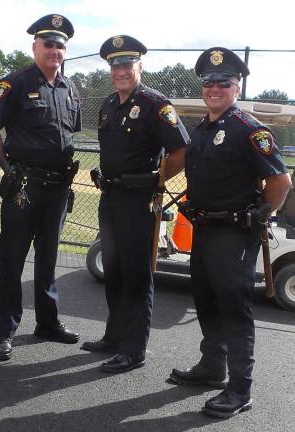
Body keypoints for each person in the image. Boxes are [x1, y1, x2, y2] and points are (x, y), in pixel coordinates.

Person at [169, 47, 292, 418]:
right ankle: (212, 368)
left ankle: (240, 389)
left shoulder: (249, 129)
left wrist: (263, 212)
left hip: (234, 234)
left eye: (224, 82)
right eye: (209, 82)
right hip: (204, 230)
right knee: (206, 301)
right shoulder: (203, 128)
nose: (215, 88)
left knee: (234, 311)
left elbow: (280, 181)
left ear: (237, 87)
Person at [81, 35, 189, 373]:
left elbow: (181, 151)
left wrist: (157, 180)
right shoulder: (109, 104)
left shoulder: (157, 105)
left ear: (140, 65)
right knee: (113, 270)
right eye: (115, 65)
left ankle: (133, 349)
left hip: (138, 202)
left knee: (136, 276)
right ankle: (114, 337)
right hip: (110, 197)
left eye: (127, 64)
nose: (121, 70)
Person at [0, 14, 82, 361]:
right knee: (12, 260)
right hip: (24, 186)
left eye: (60, 45)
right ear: (34, 47)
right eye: (48, 44)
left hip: (57, 190)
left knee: (49, 259)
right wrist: (7, 168)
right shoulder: (14, 83)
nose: (54, 50)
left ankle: (48, 323)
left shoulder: (70, 88)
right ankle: (4, 332)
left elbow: (70, 134)